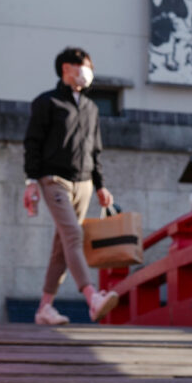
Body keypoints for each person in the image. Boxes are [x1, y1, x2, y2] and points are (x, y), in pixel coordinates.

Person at [23, 47, 120, 326]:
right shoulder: (47, 102)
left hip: (85, 183)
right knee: (74, 235)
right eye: (82, 66)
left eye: (89, 66)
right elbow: (33, 143)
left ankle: (45, 308)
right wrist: (30, 182)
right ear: (67, 68)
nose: (87, 71)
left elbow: (95, 150)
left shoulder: (91, 108)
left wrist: (100, 185)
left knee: (62, 246)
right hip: (54, 180)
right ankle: (92, 298)